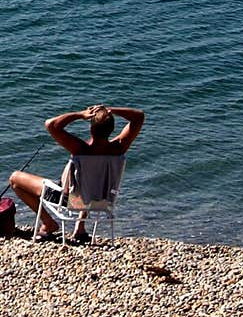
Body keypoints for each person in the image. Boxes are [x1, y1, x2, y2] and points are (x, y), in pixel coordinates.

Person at [9, 104, 145, 243]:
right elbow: (139, 116)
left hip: (67, 200)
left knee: (15, 179)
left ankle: (48, 223)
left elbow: (50, 124)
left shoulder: (80, 148)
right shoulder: (119, 147)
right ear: (112, 129)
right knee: (91, 182)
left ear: (91, 129)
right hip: (102, 199)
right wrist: (111, 110)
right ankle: (80, 228)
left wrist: (80, 114)